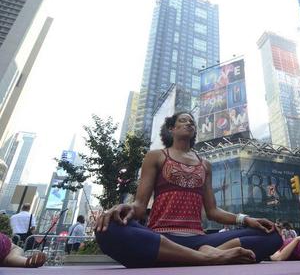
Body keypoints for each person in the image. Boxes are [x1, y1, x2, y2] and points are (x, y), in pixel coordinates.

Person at [95, 112, 282, 268]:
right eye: (183, 120)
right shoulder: (156, 157)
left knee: (272, 235)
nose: (189, 123)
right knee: (107, 228)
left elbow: (213, 212)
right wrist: (120, 209)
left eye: (191, 121)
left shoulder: (205, 165)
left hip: (200, 241)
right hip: (160, 237)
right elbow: (140, 206)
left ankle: (189, 256)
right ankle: (208, 258)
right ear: (171, 129)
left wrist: (247, 220)